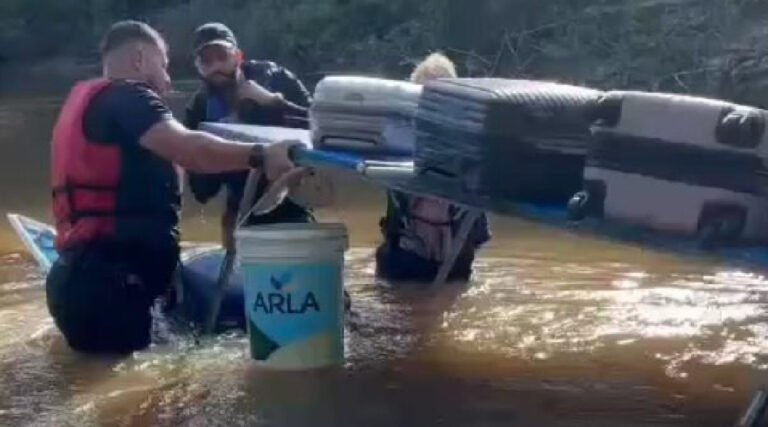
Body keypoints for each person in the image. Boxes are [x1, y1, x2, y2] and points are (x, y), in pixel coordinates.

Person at [46, 20, 302, 355]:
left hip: (80, 280)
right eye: (163, 64)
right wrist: (262, 154)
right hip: (112, 288)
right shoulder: (129, 96)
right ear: (140, 59)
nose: (166, 78)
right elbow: (192, 149)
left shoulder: (85, 98)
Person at [184, 23, 313, 251]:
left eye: (222, 57)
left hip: (290, 201)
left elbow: (318, 126)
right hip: (240, 208)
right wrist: (216, 144)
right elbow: (201, 190)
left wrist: (275, 103)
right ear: (198, 68)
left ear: (238, 57)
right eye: (207, 61)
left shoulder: (276, 78)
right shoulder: (200, 107)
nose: (216, 67)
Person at [376, 53, 491, 283]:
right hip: (428, 259)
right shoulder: (471, 144)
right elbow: (479, 235)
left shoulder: (400, 141)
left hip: (424, 260)